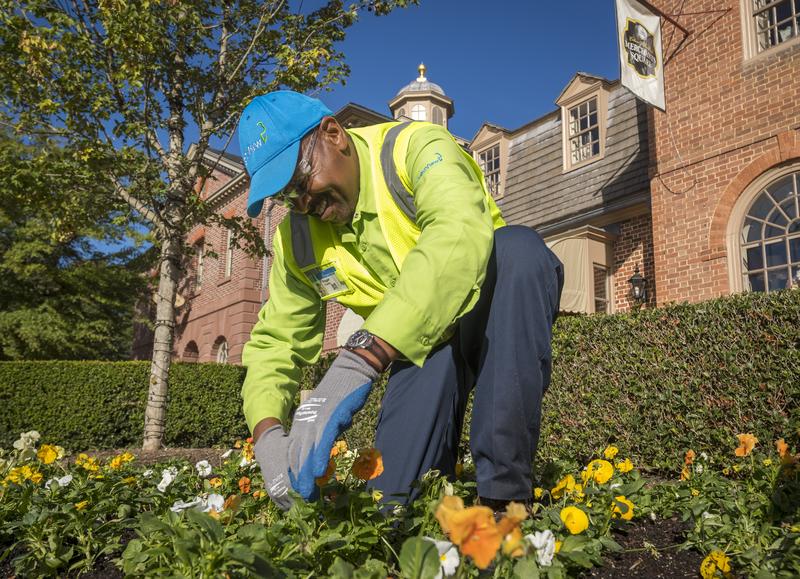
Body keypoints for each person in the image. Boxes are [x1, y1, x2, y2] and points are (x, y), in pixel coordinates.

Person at [238, 90, 563, 512]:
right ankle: (412, 504)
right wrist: (267, 437)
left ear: (333, 133)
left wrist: (361, 358)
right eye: (286, 196)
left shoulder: (415, 147)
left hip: (491, 309)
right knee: (390, 506)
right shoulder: (295, 239)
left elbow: (457, 231)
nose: (303, 204)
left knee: (519, 251)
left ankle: (503, 497)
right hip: (420, 344)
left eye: (301, 182)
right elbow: (276, 343)